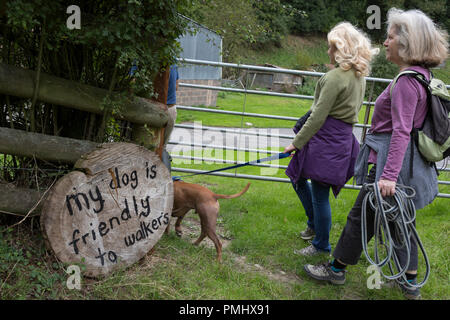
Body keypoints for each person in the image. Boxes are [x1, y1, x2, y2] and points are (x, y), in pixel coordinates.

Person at [303, 8, 448, 300]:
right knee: (398, 220)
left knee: (362, 218)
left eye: (391, 37)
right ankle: (409, 282)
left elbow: (401, 131)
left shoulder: (407, 82)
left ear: (408, 43)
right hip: (403, 164)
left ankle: (336, 270)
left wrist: (388, 175)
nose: (385, 43)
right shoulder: (421, 76)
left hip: (389, 165)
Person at [283, 22, 379, 256]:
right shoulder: (358, 76)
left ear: (343, 49)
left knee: (319, 194)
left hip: (325, 140)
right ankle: (314, 225)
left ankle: (321, 245)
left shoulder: (336, 77)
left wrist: (296, 143)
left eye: (332, 47)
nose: (328, 52)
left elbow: (317, 116)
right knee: (298, 179)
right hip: (338, 139)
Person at [162, 64, 180, 170]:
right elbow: (176, 86)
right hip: (171, 109)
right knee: (162, 148)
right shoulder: (172, 57)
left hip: (153, 108)